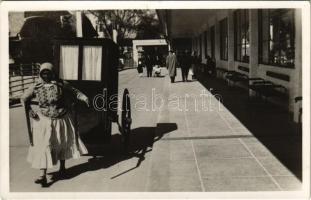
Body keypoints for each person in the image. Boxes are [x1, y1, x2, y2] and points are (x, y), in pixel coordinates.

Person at [21, 62, 89, 187]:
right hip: (43, 120)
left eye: (48, 73)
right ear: (41, 74)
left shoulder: (61, 84)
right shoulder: (36, 86)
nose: (46, 75)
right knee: (44, 146)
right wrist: (30, 110)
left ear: (53, 73)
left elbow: (75, 92)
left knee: (60, 142)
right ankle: (42, 175)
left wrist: (84, 98)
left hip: (61, 118)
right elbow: (24, 98)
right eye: (43, 73)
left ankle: (62, 168)